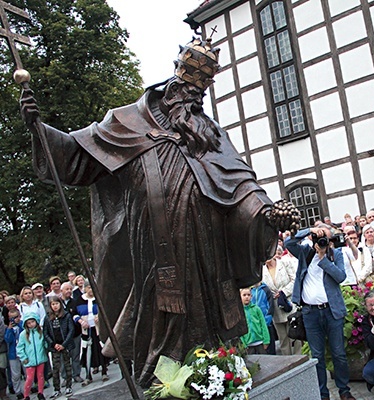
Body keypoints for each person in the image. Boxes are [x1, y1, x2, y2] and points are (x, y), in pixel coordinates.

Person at [19, 37, 295, 386]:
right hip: (154, 252)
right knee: (161, 313)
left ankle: (214, 369)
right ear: (174, 78)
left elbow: (240, 183)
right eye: (187, 81)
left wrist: (267, 213)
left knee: (206, 312)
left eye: (200, 89)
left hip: (207, 251)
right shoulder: (127, 123)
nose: (192, 96)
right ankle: (160, 377)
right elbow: (77, 154)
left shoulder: (207, 134)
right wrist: (39, 129)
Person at [287, 225, 356, 400]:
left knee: (339, 353)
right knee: (317, 356)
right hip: (310, 313)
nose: (321, 241)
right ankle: (322, 394)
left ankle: (344, 391)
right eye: (319, 237)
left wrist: (323, 258)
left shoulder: (336, 254)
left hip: (331, 311)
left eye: (325, 237)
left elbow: (341, 277)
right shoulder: (304, 253)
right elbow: (288, 242)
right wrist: (310, 230)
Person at [262, 249, 301, 355]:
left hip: (288, 303)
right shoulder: (262, 271)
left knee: (295, 335)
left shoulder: (284, 263)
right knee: (283, 338)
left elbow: (295, 280)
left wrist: (283, 292)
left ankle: (299, 357)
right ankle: (287, 360)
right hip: (275, 307)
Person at [73, 283, 108, 386]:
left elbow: (104, 310)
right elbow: (74, 314)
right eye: (89, 288)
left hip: (98, 329)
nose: (91, 290)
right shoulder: (79, 299)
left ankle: (104, 372)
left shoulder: (99, 298)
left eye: (93, 288)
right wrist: (80, 321)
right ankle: (88, 375)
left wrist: (100, 317)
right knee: (87, 351)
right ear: (85, 288)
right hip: (86, 330)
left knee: (101, 349)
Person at [43, 297, 73, 399]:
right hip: (54, 346)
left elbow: (70, 330)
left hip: (65, 345)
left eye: (57, 304)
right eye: (53, 304)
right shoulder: (47, 318)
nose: (55, 306)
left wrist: (64, 344)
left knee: (67, 366)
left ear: (60, 304)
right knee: (55, 369)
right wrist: (53, 344)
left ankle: (69, 386)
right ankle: (56, 389)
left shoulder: (66, 315)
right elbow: (45, 333)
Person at [17, 313, 47, 400]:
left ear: (36, 321)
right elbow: (19, 348)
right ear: (26, 324)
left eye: (32, 322)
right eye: (28, 323)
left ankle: (40, 393)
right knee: (29, 378)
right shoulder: (23, 334)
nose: (31, 324)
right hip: (29, 360)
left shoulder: (40, 331)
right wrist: (23, 357)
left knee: (41, 376)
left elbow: (44, 342)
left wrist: (46, 347)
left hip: (40, 358)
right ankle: (26, 395)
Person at [60, 283, 82, 383]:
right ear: (62, 291)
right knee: (64, 357)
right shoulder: (57, 303)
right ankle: (65, 377)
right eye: (66, 289)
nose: (69, 291)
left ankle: (76, 374)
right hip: (62, 335)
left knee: (75, 355)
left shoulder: (75, 302)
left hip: (75, 333)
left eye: (70, 289)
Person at [239, 288, 270, 355]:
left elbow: (263, 325)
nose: (246, 297)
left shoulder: (256, 309)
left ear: (251, 296)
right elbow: (239, 330)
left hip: (260, 342)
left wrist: (266, 340)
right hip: (248, 344)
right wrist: (243, 344)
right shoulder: (239, 312)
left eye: (248, 295)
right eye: (244, 295)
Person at [5, 309, 23, 400]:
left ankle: (30, 387)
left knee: (27, 372)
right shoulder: (8, 328)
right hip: (13, 353)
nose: (14, 320)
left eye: (16, 317)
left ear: (19, 316)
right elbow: (7, 340)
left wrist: (19, 324)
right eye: (12, 318)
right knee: (15, 375)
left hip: (24, 352)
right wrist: (9, 329)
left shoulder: (23, 324)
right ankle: (18, 391)